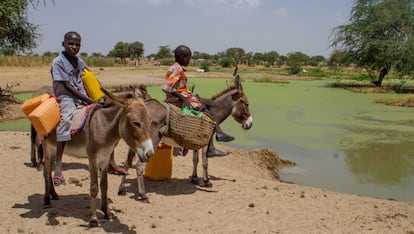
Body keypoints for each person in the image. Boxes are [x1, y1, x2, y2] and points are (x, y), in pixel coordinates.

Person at [162, 45, 234, 157]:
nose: (189, 61)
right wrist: (183, 98)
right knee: (204, 109)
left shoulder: (175, 67)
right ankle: (216, 138)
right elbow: (167, 87)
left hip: (183, 95)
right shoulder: (177, 68)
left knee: (209, 102)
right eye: (188, 58)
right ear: (181, 57)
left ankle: (218, 133)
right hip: (178, 99)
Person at [51, 31, 97, 186]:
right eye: (70, 43)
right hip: (66, 97)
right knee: (66, 119)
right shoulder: (58, 62)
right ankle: (58, 164)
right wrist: (87, 100)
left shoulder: (80, 61)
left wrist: (99, 94)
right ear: (63, 44)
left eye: (77, 44)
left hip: (82, 94)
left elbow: (89, 78)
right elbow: (67, 86)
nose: (74, 47)